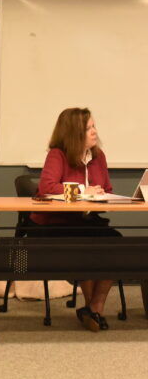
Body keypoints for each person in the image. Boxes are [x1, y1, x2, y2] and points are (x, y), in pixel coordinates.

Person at [29, 107, 120, 332]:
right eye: (88, 128)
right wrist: (83, 190)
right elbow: (47, 187)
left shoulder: (98, 156)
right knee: (87, 245)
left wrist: (101, 193)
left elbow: (107, 188)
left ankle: (94, 307)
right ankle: (93, 310)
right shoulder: (57, 154)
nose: (94, 132)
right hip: (57, 223)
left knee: (116, 243)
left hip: (88, 220)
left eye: (94, 126)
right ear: (73, 133)